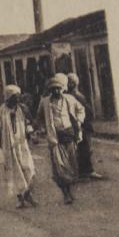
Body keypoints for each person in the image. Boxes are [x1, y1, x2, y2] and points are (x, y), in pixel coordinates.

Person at [36, 73, 87, 204]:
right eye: (53, 88)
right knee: (59, 168)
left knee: (71, 165)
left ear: (63, 88)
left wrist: (79, 122)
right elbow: (39, 118)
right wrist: (41, 129)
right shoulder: (45, 102)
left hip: (69, 135)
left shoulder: (69, 99)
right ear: (50, 89)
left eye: (58, 88)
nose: (56, 91)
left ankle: (69, 190)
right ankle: (66, 194)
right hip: (55, 137)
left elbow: (81, 109)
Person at [0, 85, 38, 208]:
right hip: (9, 145)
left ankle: (28, 194)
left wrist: (31, 134)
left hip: (22, 143)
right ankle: (21, 199)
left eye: (18, 96)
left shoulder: (22, 109)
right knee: (15, 171)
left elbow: (28, 122)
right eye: (15, 97)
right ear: (8, 98)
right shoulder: (1, 110)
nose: (17, 99)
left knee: (29, 167)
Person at [66, 72, 102, 180]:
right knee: (85, 147)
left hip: (76, 124)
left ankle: (81, 171)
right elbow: (87, 110)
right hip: (82, 124)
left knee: (80, 148)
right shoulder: (77, 95)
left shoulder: (68, 96)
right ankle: (87, 171)